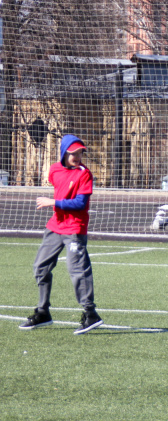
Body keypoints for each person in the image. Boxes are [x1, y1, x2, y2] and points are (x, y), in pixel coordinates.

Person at [19, 134, 103, 334]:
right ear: (64, 152)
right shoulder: (55, 170)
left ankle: (91, 314)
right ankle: (43, 313)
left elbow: (80, 204)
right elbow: (59, 186)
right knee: (40, 267)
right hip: (55, 226)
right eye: (72, 153)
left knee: (77, 271)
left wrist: (53, 202)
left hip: (74, 229)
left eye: (80, 152)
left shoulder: (85, 174)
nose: (77, 156)